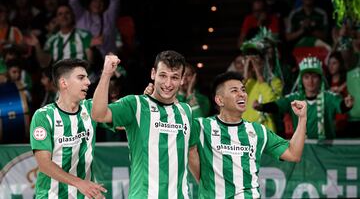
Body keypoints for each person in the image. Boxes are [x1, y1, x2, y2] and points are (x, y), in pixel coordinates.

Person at [91, 51, 196, 198]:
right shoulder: (135, 104)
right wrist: (107, 73)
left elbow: (192, 151)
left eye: (174, 77)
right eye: (163, 75)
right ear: (153, 74)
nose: (168, 83)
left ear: (182, 80)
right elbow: (98, 114)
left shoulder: (186, 111)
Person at [189, 72, 307, 198]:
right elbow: (190, 151)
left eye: (243, 90)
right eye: (234, 91)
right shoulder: (202, 126)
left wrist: (302, 118)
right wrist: (205, 183)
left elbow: (293, 154)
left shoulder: (257, 131)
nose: (242, 94)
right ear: (219, 100)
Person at [30, 58, 107, 198]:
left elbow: (123, 122)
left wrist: (146, 99)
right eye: (81, 77)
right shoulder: (43, 116)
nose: (88, 82)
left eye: (87, 77)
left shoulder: (90, 108)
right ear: (64, 83)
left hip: (85, 195)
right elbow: (44, 164)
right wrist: (80, 183)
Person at [254, 56, 354, 139]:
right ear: (301, 80)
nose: (310, 81)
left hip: (326, 149)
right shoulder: (294, 98)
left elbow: (341, 106)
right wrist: (262, 107)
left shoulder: (329, 97)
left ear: (320, 79)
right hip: (303, 150)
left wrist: (347, 104)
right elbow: (278, 106)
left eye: (314, 77)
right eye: (306, 77)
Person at [25, 5, 92, 68]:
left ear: (73, 15)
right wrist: (37, 45)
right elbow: (44, 64)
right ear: (57, 19)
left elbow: (90, 61)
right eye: (60, 14)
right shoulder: (51, 40)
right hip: (61, 79)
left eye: (67, 13)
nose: (64, 16)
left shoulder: (84, 35)